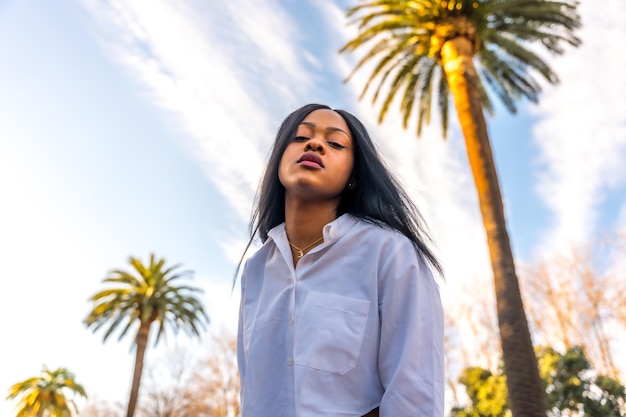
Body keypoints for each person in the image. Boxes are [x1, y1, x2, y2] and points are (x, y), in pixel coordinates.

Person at [236, 103, 444, 417]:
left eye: (335, 143)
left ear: (353, 177)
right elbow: (250, 392)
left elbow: (414, 393)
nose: (314, 144)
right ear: (279, 159)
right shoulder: (255, 271)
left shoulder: (390, 253)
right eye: (300, 137)